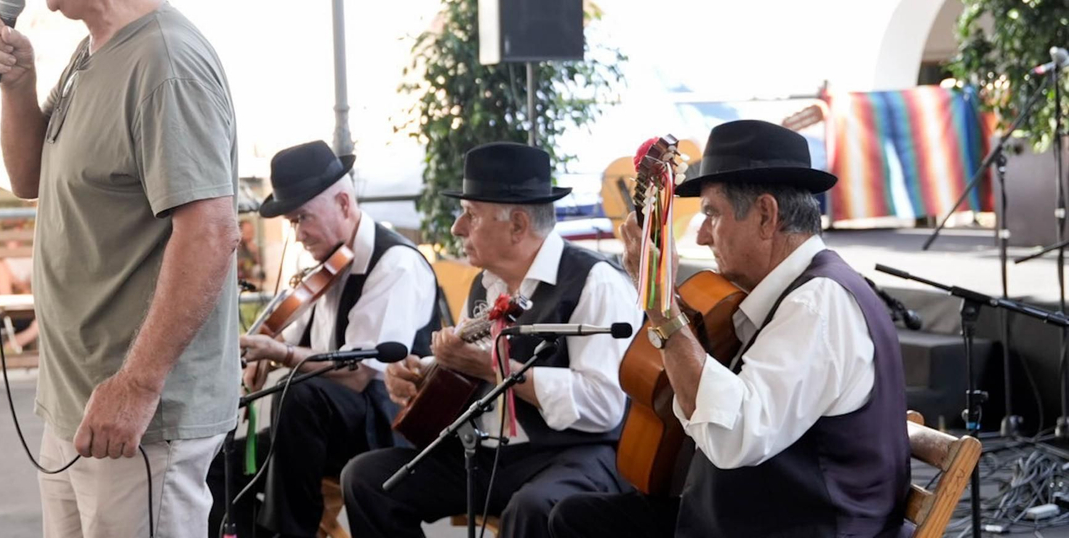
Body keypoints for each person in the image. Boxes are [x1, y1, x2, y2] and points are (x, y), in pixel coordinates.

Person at [0, 0, 241, 538]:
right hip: (78, 405)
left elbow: (210, 232)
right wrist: (19, 86)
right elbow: (31, 180)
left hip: (139, 418)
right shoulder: (96, 48)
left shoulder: (165, 63)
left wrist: (137, 384)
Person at [548, 119, 911, 538]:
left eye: (711, 214)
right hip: (757, 519)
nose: (701, 237)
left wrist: (660, 307)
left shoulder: (817, 303)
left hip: (800, 529)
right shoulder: (798, 293)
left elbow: (734, 437)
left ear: (765, 215)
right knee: (575, 517)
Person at [341, 142, 637, 538]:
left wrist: (494, 369)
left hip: (572, 455)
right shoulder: (486, 283)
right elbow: (465, 368)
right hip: (488, 455)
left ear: (517, 224)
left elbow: (604, 406)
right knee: (368, 479)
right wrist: (420, 375)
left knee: (534, 509)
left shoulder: (594, 281)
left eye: (470, 215)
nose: (457, 228)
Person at [233, 139, 441, 538]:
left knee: (299, 395)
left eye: (302, 218)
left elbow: (358, 374)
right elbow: (289, 338)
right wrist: (263, 353)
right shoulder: (326, 267)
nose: (297, 235)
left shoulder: (394, 264)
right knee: (221, 465)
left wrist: (281, 352)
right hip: (320, 429)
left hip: (385, 426)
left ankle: (290, 532)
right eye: (292, 222)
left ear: (344, 204)